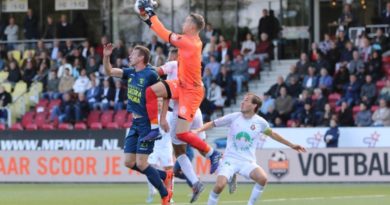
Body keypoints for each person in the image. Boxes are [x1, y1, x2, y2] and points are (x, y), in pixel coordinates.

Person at [136, 0, 222, 177]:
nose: (183, 24)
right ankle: (153, 129)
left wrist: (150, 13)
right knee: (150, 91)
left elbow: (164, 33)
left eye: (185, 21)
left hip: (191, 91)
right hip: (181, 84)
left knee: (182, 134)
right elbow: (161, 31)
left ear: (191, 25)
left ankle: (213, 153)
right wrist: (147, 18)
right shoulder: (191, 40)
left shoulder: (189, 42)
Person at [192, 93, 306, 205]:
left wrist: (292, 145)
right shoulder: (234, 117)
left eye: (246, 100)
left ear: (254, 105)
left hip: (247, 161)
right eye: (243, 100)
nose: (242, 102)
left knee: (263, 178)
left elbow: (273, 134)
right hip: (229, 160)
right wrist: (197, 131)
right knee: (219, 186)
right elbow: (213, 123)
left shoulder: (260, 122)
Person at [103, 44, 172, 205]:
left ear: (141, 58)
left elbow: (167, 93)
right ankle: (163, 175)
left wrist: (162, 119)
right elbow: (110, 71)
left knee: (141, 163)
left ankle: (165, 194)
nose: (130, 57)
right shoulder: (132, 72)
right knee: (129, 162)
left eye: (133, 54)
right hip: (134, 122)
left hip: (147, 124)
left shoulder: (151, 74)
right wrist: (106, 56)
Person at [155, 48, 208, 203]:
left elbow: (156, 74)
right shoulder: (194, 72)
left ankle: (195, 182)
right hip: (195, 111)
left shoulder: (173, 65)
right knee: (203, 148)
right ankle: (226, 168)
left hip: (180, 113)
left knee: (180, 152)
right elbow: (201, 92)